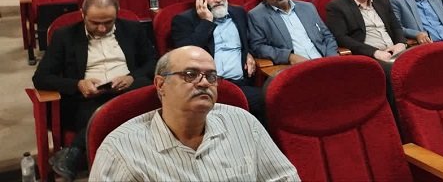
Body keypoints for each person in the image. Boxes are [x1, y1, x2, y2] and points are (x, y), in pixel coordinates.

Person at [88, 46, 299, 181]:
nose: (204, 83)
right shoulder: (120, 149)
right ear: (161, 85)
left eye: (211, 76)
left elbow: (283, 178)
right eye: (190, 74)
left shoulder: (243, 123)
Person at [32, 0, 156, 181]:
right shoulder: (65, 36)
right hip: (88, 99)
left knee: (141, 93)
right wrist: (77, 84)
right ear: (83, 14)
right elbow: (41, 77)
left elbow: (153, 62)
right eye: (95, 23)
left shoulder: (132, 29)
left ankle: (75, 150)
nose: (102, 28)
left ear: (117, 14)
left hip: (128, 90)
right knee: (105, 112)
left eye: (108, 22)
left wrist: (132, 77)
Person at [170, 0, 263, 120]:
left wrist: (248, 53)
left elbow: (250, 41)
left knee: (270, 98)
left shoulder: (239, 13)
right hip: (207, 86)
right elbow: (185, 56)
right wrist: (206, 22)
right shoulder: (183, 20)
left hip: (242, 83)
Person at [248, 0, 338, 65]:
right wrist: (289, 57)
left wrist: (331, 59)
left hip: (324, 62)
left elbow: (327, 36)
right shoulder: (257, 16)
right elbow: (258, 47)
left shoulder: (307, 7)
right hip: (293, 68)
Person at [326, 0, 407, 61]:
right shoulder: (337, 7)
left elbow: (395, 26)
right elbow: (341, 38)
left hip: (395, 51)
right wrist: (374, 52)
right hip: (369, 57)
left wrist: (401, 43)